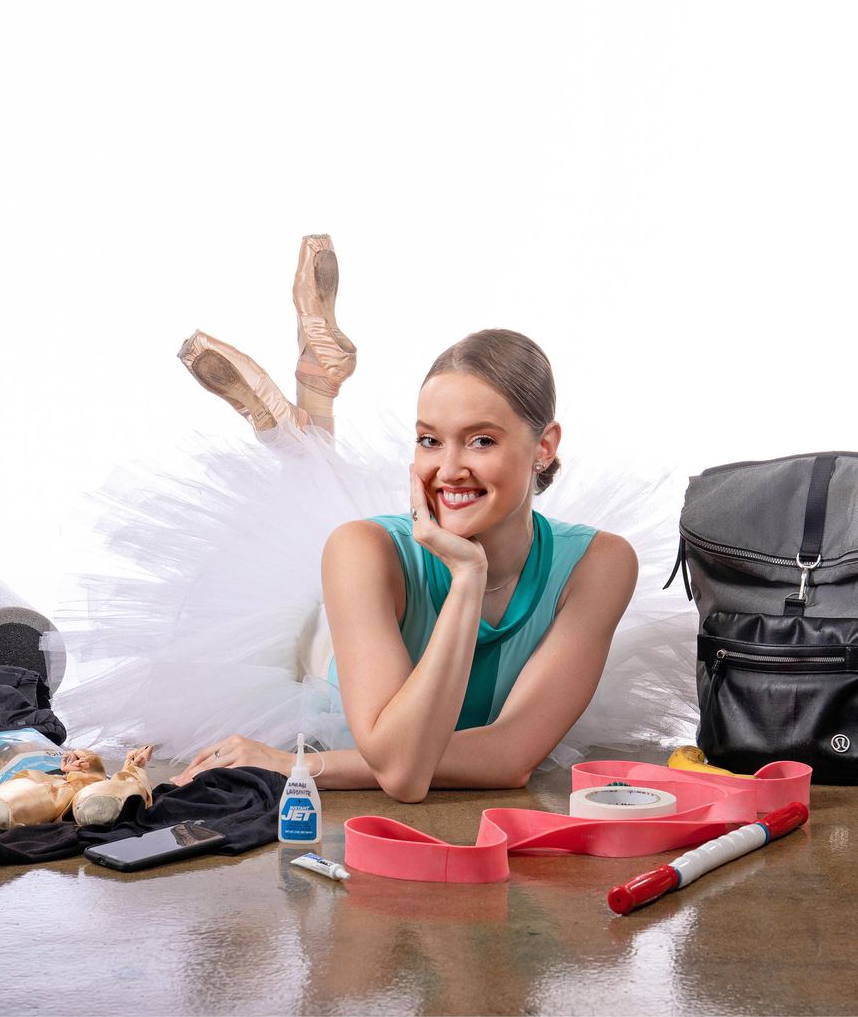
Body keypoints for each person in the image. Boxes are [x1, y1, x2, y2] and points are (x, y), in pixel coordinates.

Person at [172, 329, 638, 801]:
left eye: (480, 440)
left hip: (383, 735)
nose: (450, 468)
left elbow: (504, 758)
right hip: (330, 668)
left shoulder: (601, 564)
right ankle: (298, 430)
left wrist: (301, 765)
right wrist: (466, 578)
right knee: (331, 581)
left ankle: (303, 418)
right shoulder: (361, 549)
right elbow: (402, 775)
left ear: (544, 446)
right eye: (429, 440)